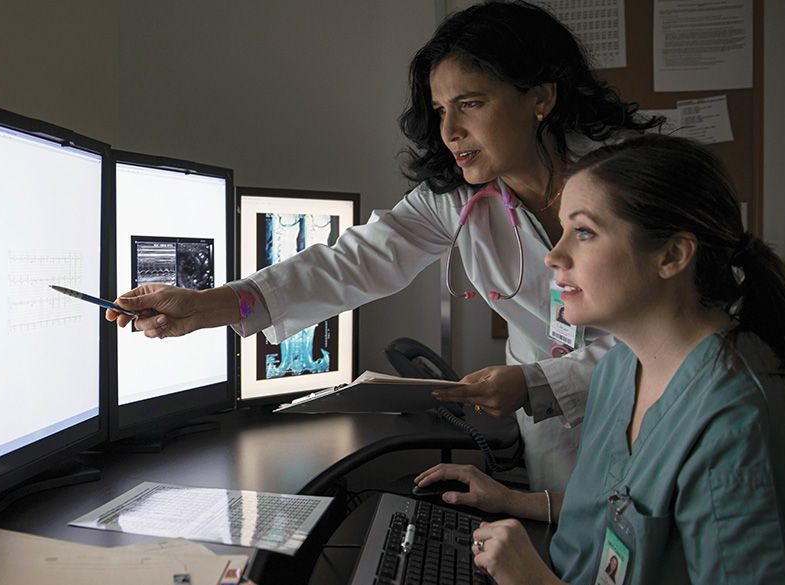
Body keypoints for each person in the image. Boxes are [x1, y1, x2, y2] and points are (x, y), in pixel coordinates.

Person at [108, 1, 660, 491]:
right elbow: (349, 264)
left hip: (655, 404)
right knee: (572, 547)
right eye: (440, 110)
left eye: (470, 103)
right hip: (553, 428)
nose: (450, 131)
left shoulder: (640, 179)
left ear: (540, 97)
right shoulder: (458, 199)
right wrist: (208, 305)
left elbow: (674, 333)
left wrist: (536, 382)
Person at [413, 134, 785, 584]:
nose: (554, 256)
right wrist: (512, 501)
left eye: (584, 232)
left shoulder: (736, 418)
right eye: (563, 231)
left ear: (672, 255)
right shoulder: (621, 368)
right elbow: (623, 510)